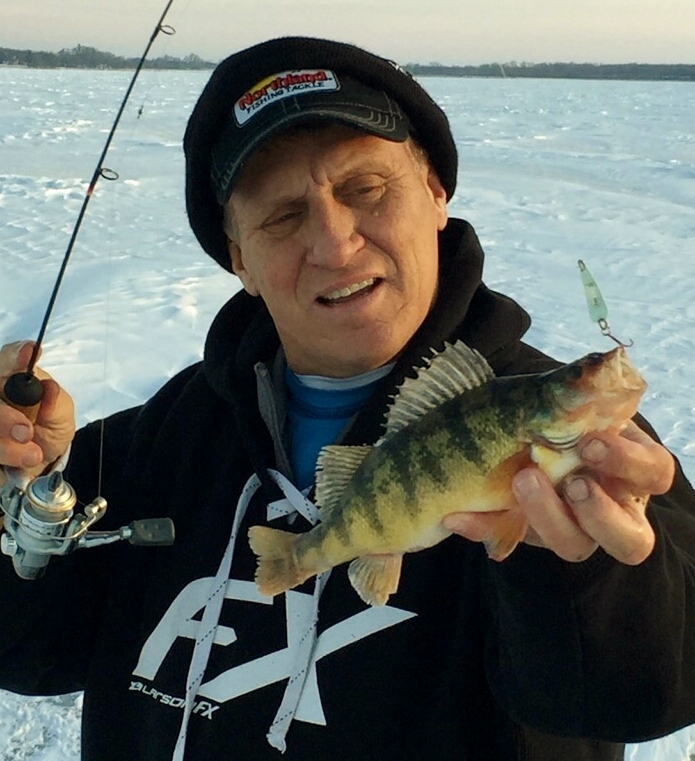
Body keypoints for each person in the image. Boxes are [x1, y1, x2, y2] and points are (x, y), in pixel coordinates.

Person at [0, 35, 694, 761]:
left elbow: (648, 688)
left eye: (366, 190)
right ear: (239, 258)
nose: (334, 244)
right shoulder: (163, 438)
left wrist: (599, 570)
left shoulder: (585, 446)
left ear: (434, 194)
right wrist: (11, 496)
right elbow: (31, 647)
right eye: (281, 217)